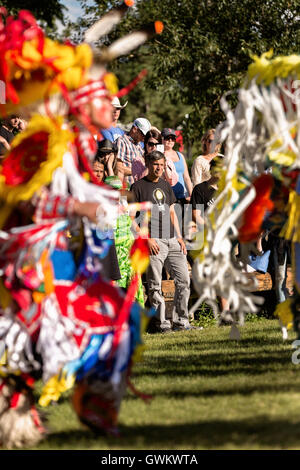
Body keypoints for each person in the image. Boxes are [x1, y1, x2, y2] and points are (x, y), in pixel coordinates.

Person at [131, 150, 192, 333]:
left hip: (172, 239)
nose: (159, 168)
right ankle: (162, 324)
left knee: (183, 280)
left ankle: (182, 322)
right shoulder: (137, 187)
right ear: (148, 165)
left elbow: (173, 212)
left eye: (161, 165)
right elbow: (131, 218)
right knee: (155, 285)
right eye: (155, 164)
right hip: (153, 240)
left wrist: (180, 237)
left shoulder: (166, 185)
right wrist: (146, 238)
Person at [116, 117, 151, 186]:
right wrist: (140, 171)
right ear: (135, 129)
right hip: (126, 189)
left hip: (138, 189)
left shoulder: (139, 146)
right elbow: (118, 168)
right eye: (143, 134)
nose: (144, 137)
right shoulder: (122, 141)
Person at [162, 127, 193, 202]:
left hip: (182, 196)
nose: (170, 140)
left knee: (184, 214)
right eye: (167, 138)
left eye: (172, 138)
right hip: (167, 198)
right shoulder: (159, 155)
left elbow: (186, 177)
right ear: (162, 139)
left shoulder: (180, 155)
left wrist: (192, 196)